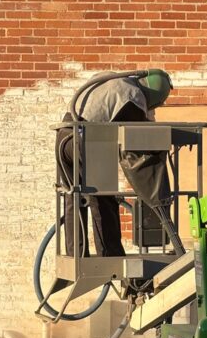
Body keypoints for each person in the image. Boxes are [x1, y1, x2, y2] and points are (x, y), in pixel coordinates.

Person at [56, 69, 174, 257]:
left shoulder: (114, 80)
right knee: (103, 198)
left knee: (74, 198)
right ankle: (111, 255)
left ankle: (75, 254)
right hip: (88, 141)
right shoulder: (134, 97)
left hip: (64, 138)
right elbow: (135, 141)